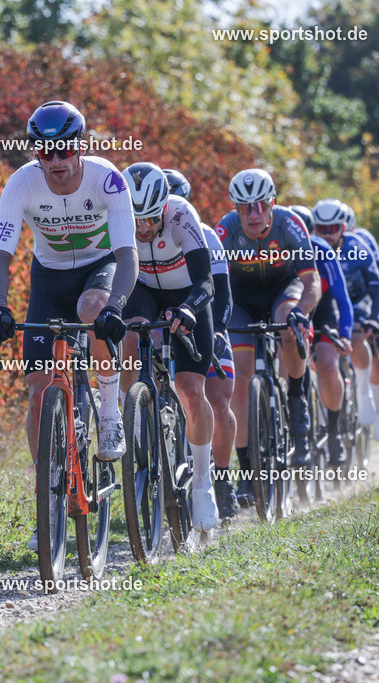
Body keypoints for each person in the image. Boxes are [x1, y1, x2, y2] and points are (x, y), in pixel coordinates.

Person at [0, 101, 139, 550]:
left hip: (100, 269)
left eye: (63, 151)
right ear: (35, 153)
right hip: (48, 279)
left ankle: (109, 410)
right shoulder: (22, 184)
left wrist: (118, 305)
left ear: (80, 147)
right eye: (44, 152)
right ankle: (47, 499)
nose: (55, 161)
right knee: (37, 391)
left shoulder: (107, 178)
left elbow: (128, 255)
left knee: (93, 309)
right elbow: (0, 255)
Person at [117, 163, 219, 531]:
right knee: (128, 334)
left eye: (149, 219)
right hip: (142, 289)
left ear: (164, 207)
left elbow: (206, 281)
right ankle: (132, 409)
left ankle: (203, 484)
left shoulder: (181, 214)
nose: (142, 228)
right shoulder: (117, 212)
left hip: (185, 294)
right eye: (135, 220)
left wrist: (191, 309)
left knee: (191, 390)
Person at [215, 170, 321, 501]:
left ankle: (295, 396)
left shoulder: (290, 224)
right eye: (244, 207)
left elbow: (311, 282)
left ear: (272, 203)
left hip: (282, 291)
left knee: (287, 323)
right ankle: (247, 471)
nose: (253, 214)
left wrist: (302, 313)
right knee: (241, 380)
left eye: (260, 205)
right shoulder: (226, 229)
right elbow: (214, 283)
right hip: (242, 299)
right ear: (235, 207)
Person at [165, 169, 237, 520]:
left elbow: (220, 292)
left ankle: (218, 479)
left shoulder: (204, 234)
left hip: (200, 311)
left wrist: (220, 331)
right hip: (162, 312)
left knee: (218, 397)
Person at [289, 205, 354, 467]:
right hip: (295, 315)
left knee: (327, 365)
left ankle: (334, 432)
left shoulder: (322, 250)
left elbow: (343, 299)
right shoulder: (275, 250)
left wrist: (346, 334)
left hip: (323, 312)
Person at [311, 198, 379, 428]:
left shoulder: (358, 248)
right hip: (328, 305)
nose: (326, 235)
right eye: (321, 229)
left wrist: (376, 317)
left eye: (332, 229)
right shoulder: (311, 248)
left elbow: (376, 290)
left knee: (357, 337)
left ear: (343, 228)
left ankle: (364, 393)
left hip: (359, 301)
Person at [345, 205, 379, 440]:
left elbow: (378, 283)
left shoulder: (363, 241)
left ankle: (378, 407)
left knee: (370, 344)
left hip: (365, 300)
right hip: (339, 303)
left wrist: (376, 317)